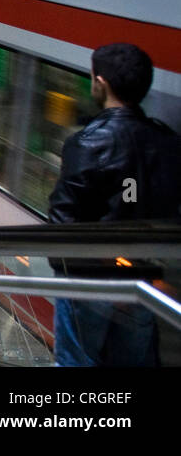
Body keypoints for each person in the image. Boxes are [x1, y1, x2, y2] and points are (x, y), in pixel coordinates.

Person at [47, 43, 181, 366]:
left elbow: (61, 226)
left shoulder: (86, 144)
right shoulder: (167, 144)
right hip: (141, 282)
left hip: (88, 285)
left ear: (101, 83)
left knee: (76, 362)